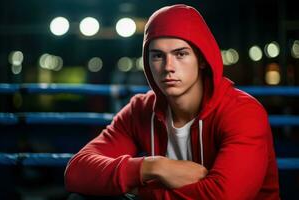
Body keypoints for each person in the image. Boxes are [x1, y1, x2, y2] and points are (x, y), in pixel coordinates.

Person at [65, 4, 280, 199]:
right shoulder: (141, 109)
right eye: (157, 56)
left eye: (181, 54)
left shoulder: (242, 112)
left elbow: (223, 196)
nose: (168, 67)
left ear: (202, 59)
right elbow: (76, 171)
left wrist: (139, 192)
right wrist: (155, 166)